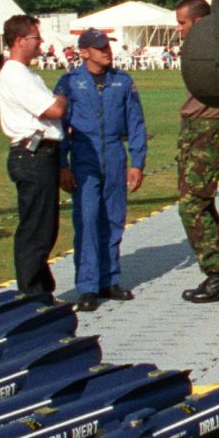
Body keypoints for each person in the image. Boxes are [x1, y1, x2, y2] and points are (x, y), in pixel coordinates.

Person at [57, 28, 147, 310]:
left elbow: (135, 122)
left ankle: (109, 280)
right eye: (99, 48)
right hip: (85, 156)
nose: (106, 52)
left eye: (107, 47)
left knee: (113, 218)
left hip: (114, 154)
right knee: (87, 219)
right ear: (84, 52)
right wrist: (62, 165)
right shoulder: (70, 82)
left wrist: (137, 163)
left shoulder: (122, 81)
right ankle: (87, 286)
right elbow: (58, 128)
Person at [0, 15, 67, 303]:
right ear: (19, 40)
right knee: (35, 229)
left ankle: (40, 290)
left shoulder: (27, 73)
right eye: (36, 38)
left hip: (41, 153)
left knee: (44, 226)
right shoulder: (15, 73)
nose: (40, 43)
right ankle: (32, 295)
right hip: (31, 153)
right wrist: (62, 98)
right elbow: (54, 110)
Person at [173, 0, 219, 303]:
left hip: (208, 129)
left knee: (192, 205)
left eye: (183, 23)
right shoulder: (199, 47)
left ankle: (218, 274)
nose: (180, 30)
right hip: (193, 128)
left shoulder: (215, 46)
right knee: (199, 203)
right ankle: (218, 272)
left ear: (198, 22)